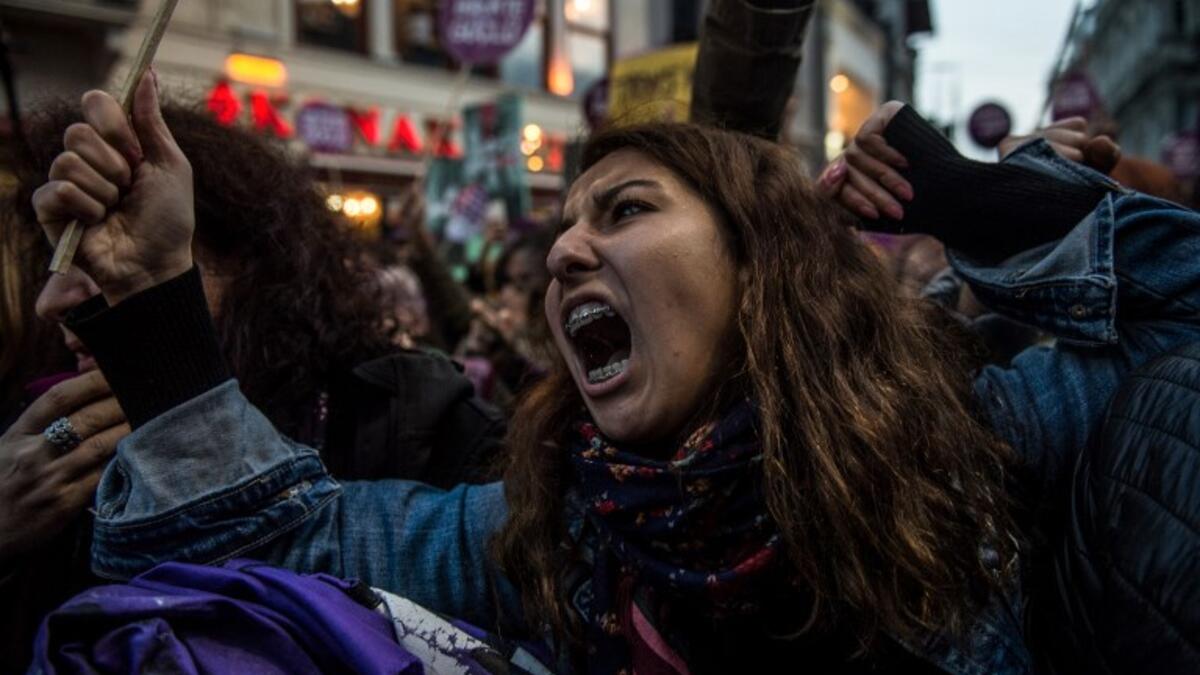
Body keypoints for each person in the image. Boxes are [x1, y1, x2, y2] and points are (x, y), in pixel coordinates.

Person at [30, 74, 1200, 673]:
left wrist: (990, 205)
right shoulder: (556, 536)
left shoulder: (983, 441)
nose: (568, 251)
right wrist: (154, 306)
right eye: (562, 238)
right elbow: (265, 560)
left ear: (763, 269)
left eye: (626, 210)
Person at [0, 95, 505, 671]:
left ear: (254, 268)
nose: (53, 301)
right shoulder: (33, 447)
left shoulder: (406, 418)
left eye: (112, 250)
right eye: (56, 258)